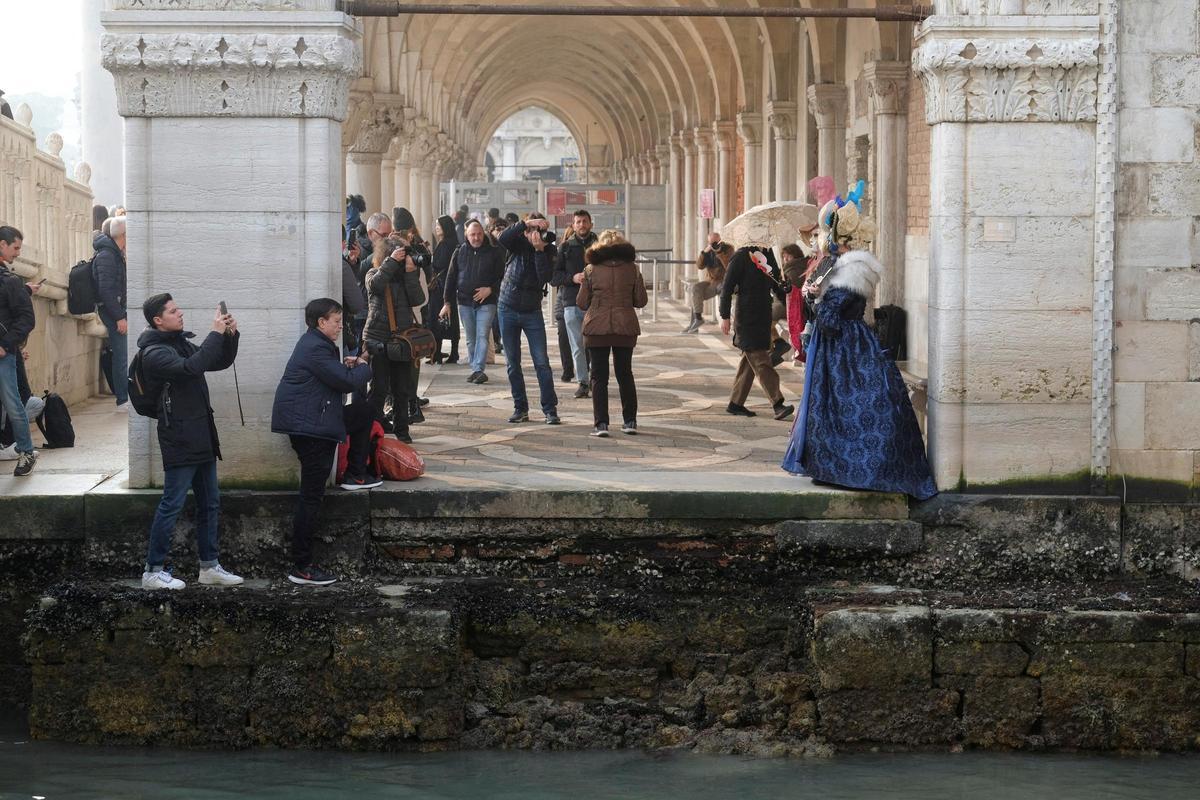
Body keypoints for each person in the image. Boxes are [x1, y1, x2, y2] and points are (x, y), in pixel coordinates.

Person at [782, 195, 936, 500]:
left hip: (842, 350)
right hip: (853, 343)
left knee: (841, 404)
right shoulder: (852, 270)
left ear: (841, 241)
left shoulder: (845, 274)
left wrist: (813, 297)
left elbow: (829, 321)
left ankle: (850, 468)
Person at [136, 293, 242, 589]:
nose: (180, 313)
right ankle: (152, 571)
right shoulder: (154, 352)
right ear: (158, 320)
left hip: (201, 432)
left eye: (178, 308)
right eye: (173, 311)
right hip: (179, 436)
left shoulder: (178, 342)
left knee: (210, 503)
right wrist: (214, 333)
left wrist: (230, 335)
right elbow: (191, 368)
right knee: (172, 503)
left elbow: (216, 360)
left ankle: (209, 567)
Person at [272, 298, 379, 587]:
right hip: (311, 430)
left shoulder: (317, 345)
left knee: (364, 411)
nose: (339, 325)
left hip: (317, 421)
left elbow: (334, 377)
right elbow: (345, 383)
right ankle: (302, 566)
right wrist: (364, 363)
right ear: (321, 322)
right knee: (311, 497)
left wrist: (345, 367)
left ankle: (355, 473)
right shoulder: (315, 347)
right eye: (335, 320)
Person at [576, 230, 647, 437]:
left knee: (598, 377)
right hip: (625, 327)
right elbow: (640, 301)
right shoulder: (632, 269)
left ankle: (601, 424)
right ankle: (630, 421)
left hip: (596, 328)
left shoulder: (591, 269)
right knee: (625, 375)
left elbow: (581, 302)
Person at [363, 228, 424, 443]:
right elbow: (376, 285)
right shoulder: (373, 273)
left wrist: (409, 273)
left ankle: (402, 431)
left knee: (402, 388)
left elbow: (418, 299)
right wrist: (390, 262)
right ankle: (372, 429)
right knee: (379, 388)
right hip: (378, 338)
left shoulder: (405, 276)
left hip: (401, 340)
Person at [719, 245, 794, 421]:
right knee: (761, 360)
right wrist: (724, 316)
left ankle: (735, 404)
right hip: (746, 316)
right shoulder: (740, 257)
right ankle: (777, 403)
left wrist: (785, 288)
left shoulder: (768, 254)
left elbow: (776, 284)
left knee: (749, 360)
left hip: (764, 315)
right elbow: (727, 287)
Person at [497, 214, 559, 424]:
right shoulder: (516, 242)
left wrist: (539, 250)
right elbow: (502, 239)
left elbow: (546, 278)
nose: (535, 234)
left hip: (532, 310)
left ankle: (550, 410)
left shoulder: (548, 248)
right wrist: (526, 224)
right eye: (532, 229)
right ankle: (520, 408)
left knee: (541, 362)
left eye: (538, 230)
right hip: (507, 306)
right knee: (512, 362)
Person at [440, 219, 504, 384]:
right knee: (470, 338)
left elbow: (502, 277)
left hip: (487, 302)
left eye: (479, 234)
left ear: (484, 234)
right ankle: (475, 368)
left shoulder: (494, 252)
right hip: (465, 302)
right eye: (473, 235)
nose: (476, 238)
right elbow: (451, 278)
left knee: (482, 335)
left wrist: (490, 289)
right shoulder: (459, 252)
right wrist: (447, 302)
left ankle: (478, 369)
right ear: (466, 236)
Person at [0, 226, 36, 476]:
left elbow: (26, 319)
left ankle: (26, 451)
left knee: (13, 403)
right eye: (15, 248)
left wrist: (5, 345)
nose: (17, 254)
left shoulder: (10, 281)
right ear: (2, 245)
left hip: (3, 355)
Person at [551, 209, 598, 399]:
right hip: (571, 302)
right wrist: (572, 277)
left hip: (596, 302)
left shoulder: (600, 246)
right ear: (573, 225)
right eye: (578, 222)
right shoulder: (565, 247)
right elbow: (554, 277)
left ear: (590, 223)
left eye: (584, 221)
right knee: (577, 345)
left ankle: (597, 378)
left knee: (596, 344)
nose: (581, 225)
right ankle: (583, 382)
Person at [93, 216, 129, 407]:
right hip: (113, 312)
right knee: (121, 356)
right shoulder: (107, 255)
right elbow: (106, 291)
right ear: (123, 234)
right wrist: (119, 317)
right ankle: (123, 398)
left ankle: (124, 396)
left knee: (123, 355)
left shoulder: (114, 253)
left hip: (116, 310)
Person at [684, 232, 729, 333]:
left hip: (722, 281)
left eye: (715, 242)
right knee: (695, 288)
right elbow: (699, 266)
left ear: (720, 240)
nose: (713, 245)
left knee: (696, 296)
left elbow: (729, 267)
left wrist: (720, 253)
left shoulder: (727, 249)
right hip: (710, 281)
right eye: (711, 242)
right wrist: (704, 253)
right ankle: (697, 319)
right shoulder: (708, 250)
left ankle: (695, 323)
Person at [430, 214, 460, 365]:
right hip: (451, 286)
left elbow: (439, 264)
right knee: (452, 319)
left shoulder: (444, 244)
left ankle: (436, 353)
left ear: (445, 228)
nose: (436, 228)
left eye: (438, 225)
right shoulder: (454, 242)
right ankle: (453, 352)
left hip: (441, 286)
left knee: (439, 319)